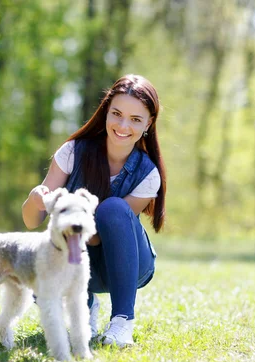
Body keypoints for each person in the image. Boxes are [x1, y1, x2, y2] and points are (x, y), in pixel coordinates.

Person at [22, 74, 166, 347]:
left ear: (149, 124)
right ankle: (84, 303)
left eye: (136, 119)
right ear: (106, 112)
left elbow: (110, 232)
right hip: (76, 256)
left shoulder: (148, 174)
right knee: (52, 247)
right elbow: (32, 221)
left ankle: (122, 321)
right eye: (117, 114)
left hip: (126, 266)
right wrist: (35, 200)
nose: (124, 126)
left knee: (111, 209)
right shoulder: (72, 152)